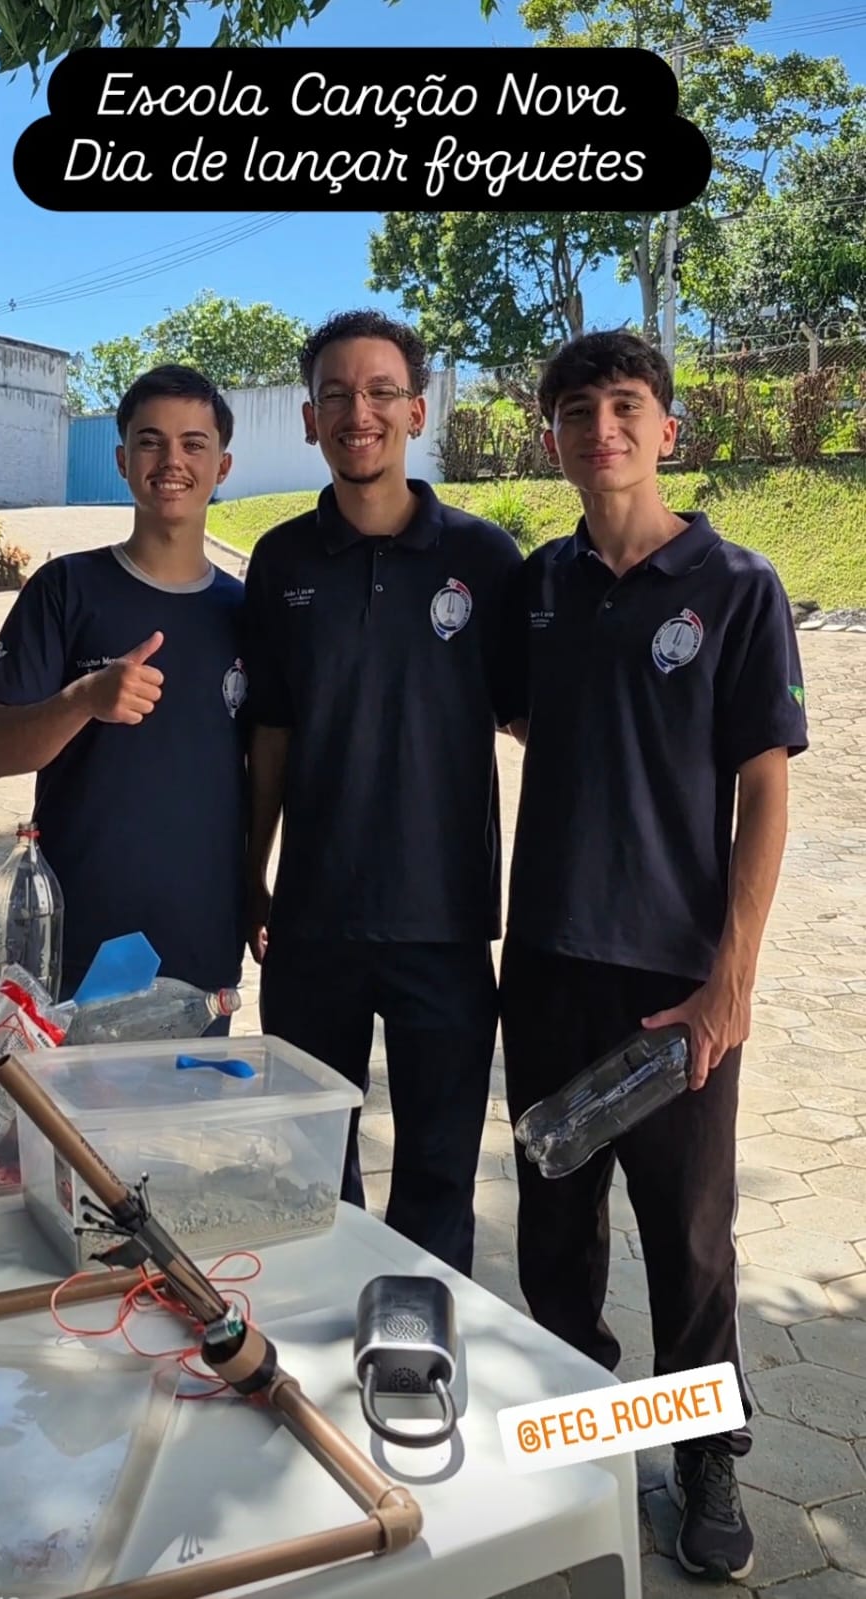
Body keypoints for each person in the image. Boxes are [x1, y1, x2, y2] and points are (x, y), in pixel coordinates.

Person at [498, 330, 809, 1582]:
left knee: (689, 1241)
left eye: (626, 406)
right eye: (577, 410)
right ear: (556, 438)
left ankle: (703, 1456)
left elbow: (765, 790)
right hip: (549, 963)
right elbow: (521, 715)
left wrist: (731, 977)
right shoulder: (537, 587)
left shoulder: (737, 587)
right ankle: (586, 1442)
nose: (602, 429)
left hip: (677, 983)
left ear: (666, 429)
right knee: (553, 1230)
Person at [243, 309, 523, 1276]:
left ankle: (418, 1353)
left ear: (416, 407)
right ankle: (321, 1350)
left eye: (377, 392)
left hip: (443, 925)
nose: (356, 412)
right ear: (310, 420)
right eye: (333, 394)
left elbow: (542, 720)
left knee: (441, 1171)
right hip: (313, 924)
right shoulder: (278, 563)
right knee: (311, 1163)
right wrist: (252, 875)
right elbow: (269, 733)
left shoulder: (487, 562)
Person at [0, 364, 249, 1015]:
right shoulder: (65, 591)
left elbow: (269, 761)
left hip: (199, 943)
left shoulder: (248, 612)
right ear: (123, 460)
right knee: (54, 1119)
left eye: (193, 443)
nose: (171, 460)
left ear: (223, 466)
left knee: (180, 1119)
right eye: (151, 441)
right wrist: (86, 698)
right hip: (72, 946)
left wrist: (258, 886)